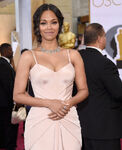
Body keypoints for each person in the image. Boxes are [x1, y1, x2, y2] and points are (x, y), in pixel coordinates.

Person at [13, 3, 88, 150]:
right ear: (38, 26)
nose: (49, 27)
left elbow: (84, 90)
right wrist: (49, 103)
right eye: (43, 23)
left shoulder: (73, 55)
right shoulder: (29, 56)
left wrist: (67, 104)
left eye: (53, 22)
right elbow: (17, 95)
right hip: (40, 120)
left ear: (59, 25)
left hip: (68, 117)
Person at [74, 23, 122, 150]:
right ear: (100, 38)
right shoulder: (105, 64)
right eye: (105, 36)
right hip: (105, 129)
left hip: (82, 126)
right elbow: (118, 93)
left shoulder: (76, 59)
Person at [0, 43, 18, 150]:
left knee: (5, 123)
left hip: (4, 101)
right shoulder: (3, 64)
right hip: (5, 102)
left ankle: (5, 143)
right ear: (5, 51)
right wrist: (15, 98)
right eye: (10, 50)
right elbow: (8, 84)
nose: (12, 52)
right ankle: (8, 144)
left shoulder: (6, 63)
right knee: (7, 124)